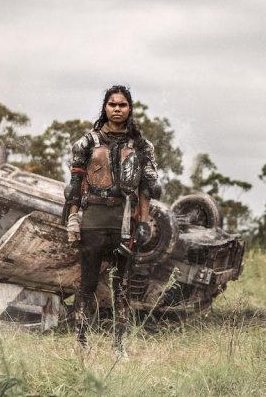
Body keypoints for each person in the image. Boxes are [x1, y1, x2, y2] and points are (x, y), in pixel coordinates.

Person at [64, 85, 161, 358]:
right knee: (87, 285)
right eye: (112, 104)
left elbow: (147, 188)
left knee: (122, 287)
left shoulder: (142, 146)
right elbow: (75, 185)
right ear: (105, 108)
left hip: (125, 222)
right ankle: (80, 344)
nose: (117, 109)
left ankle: (119, 347)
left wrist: (144, 222)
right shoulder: (86, 143)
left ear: (129, 109)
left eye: (122, 105)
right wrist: (73, 218)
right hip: (93, 219)